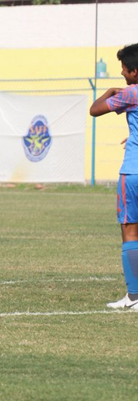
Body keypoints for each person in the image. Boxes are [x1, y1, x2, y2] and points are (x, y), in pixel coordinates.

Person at [89, 43, 138, 310]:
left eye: (124, 69)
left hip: (133, 172)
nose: (121, 73)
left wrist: (109, 91)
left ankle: (134, 296)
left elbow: (95, 110)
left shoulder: (130, 94)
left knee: (130, 232)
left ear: (135, 71)